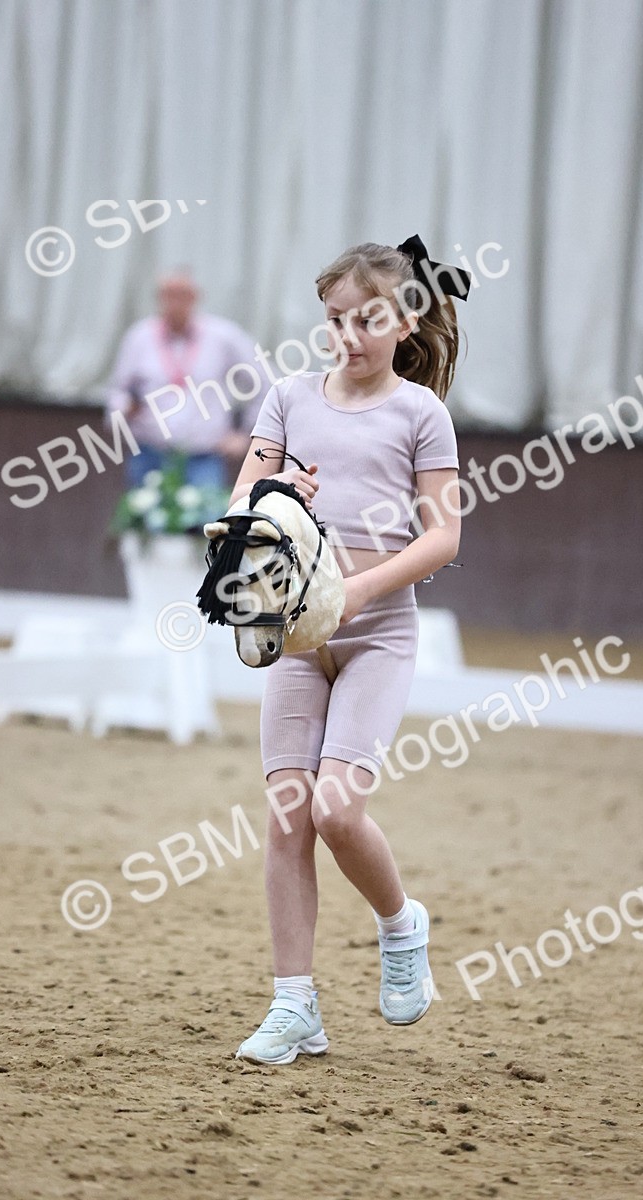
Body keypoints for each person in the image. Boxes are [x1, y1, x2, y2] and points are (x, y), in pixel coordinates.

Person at [226, 237, 469, 1064]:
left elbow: (443, 537)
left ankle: (401, 925)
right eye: (335, 319)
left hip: (377, 635)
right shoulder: (289, 398)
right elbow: (240, 500)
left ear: (404, 323)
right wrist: (274, 490)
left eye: (367, 319)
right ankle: (294, 1005)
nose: (348, 335)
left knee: (335, 809)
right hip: (297, 636)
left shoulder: (421, 414)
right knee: (287, 813)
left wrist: (360, 591)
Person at [106, 269, 270, 489]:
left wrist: (247, 435)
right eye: (169, 295)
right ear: (159, 298)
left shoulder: (223, 337)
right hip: (149, 454)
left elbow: (262, 382)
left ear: (195, 297)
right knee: (141, 511)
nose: (175, 303)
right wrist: (124, 409)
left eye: (182, 295)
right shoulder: (139, 337)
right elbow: (118, 390)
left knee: (207, 512)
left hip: (204, 458)